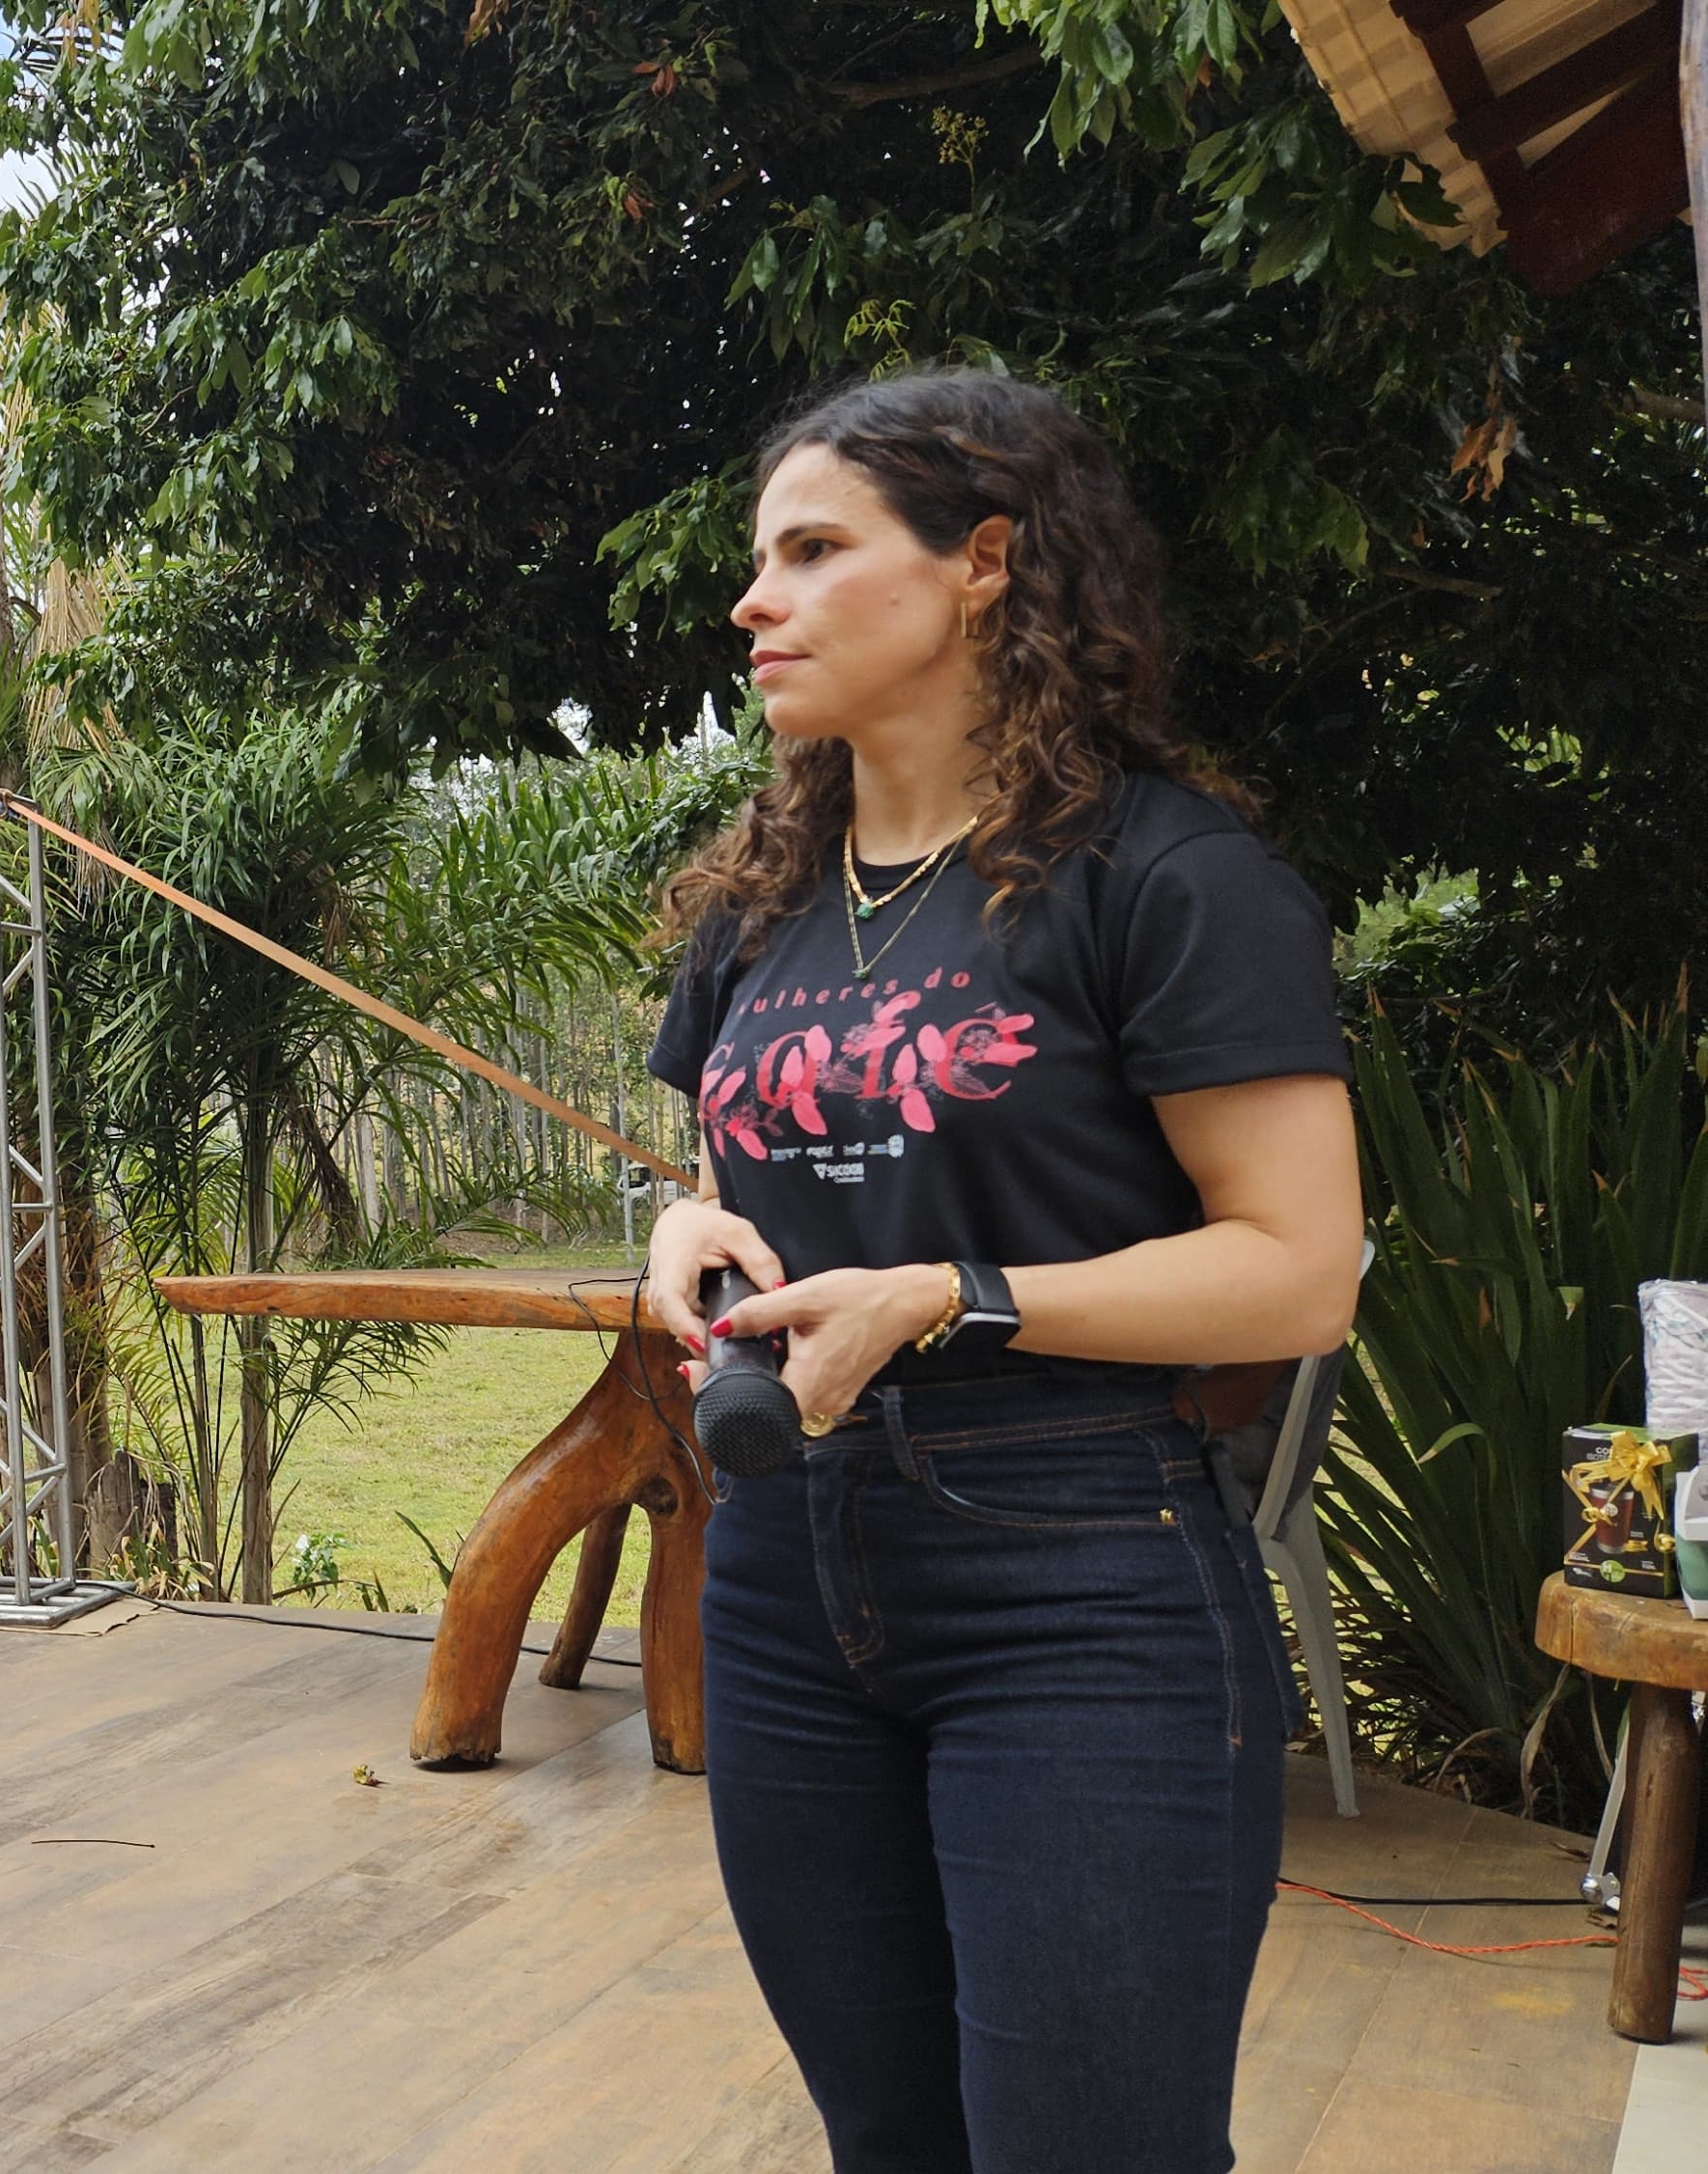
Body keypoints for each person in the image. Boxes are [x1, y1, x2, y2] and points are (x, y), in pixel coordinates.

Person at [640, 369, 1361, 2173]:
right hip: (785, 1573)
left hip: (1077, 1574)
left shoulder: (1166, 877)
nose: (756, 600)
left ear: (982, 563)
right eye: (762, 559)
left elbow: (1300, 1272)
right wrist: (684, 1227)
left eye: (814, 551)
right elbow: (748, 1155)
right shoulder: (761, 903)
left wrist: (954, 1295)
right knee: (890, 2141)